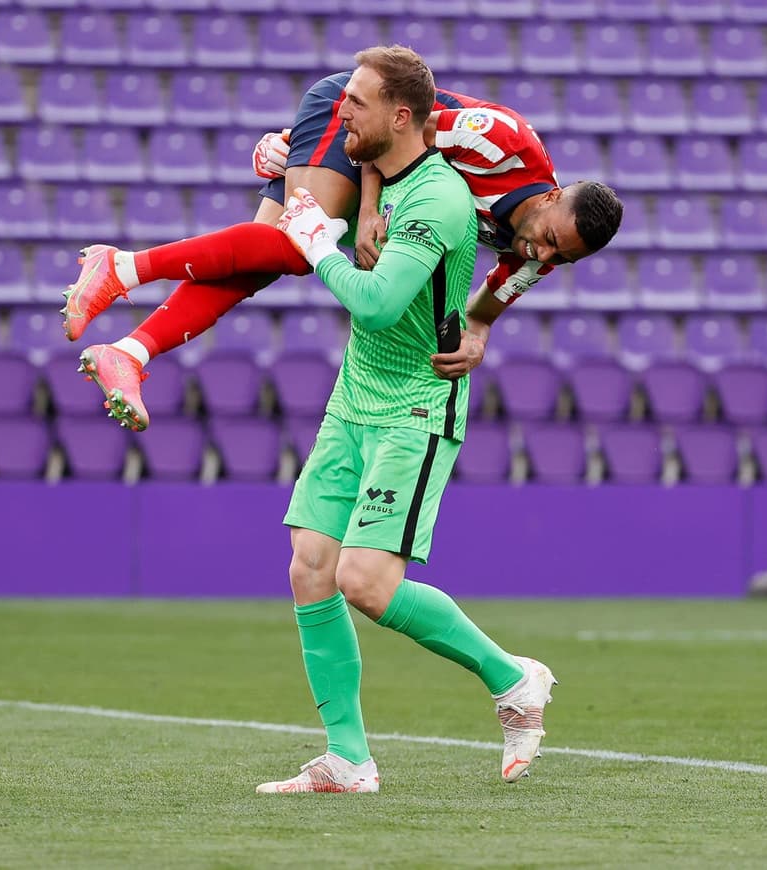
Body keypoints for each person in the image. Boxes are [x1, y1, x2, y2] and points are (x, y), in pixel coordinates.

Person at [247, 46, 556, 793]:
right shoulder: (382, 180)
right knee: (311, 568)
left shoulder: (442, 199)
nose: (339, 108)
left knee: (365, 581)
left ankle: (513, 679)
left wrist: (317, 240)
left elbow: (379, 303)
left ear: (402, 116)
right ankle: (348, 760)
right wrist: (282, 165)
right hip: (355, 396)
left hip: (415, 407)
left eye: (355, 99)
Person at [63, 70, 623, 430]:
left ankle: (130, 354)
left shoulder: (538, 253)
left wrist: (477, 340)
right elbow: (391, 130)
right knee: (298, 247)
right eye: (549, 241)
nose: (542, 257)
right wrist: (367, 213)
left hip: (371, 158)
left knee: (262, 262)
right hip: (356, 115)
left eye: (561, 259)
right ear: (551, 196)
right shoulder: (501, 140)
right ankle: (118, 267)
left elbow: (484, 312)